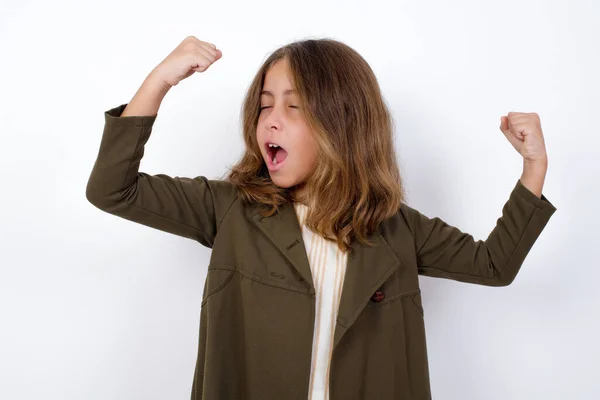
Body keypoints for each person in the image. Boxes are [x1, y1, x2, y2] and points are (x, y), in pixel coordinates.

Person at [86, 35, 557, 400]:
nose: (271, 119)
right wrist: (160, 81)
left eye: (294, 106)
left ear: (343, 124)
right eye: (265, 104)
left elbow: (495, 265)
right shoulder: (230, 208)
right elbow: (113, 189)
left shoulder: (397, 228)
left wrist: (533, 166)